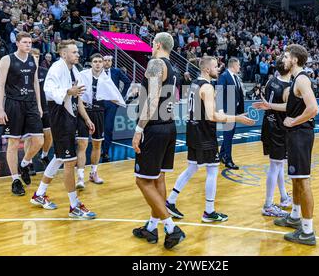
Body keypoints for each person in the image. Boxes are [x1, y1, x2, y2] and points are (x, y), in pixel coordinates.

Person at [166, 56, 254, 222]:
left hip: (192, 129)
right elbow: (211, 116)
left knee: (192, 168)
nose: (218, 69)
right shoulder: (206, 87)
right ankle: (209, 211)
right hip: (204, 133)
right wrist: (236, 118)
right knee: (213, 169)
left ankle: (170, 201)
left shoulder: (194, 83)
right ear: (206, 69)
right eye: (215, 66)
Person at [255, 44, 319, 246]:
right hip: (295, 134)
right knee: (296, 179)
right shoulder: (294, 80)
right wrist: (270, 106)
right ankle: (294, 216)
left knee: (303, 181)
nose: (283, 58)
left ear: (295, 59)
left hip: (301, 134)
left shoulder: (301, 79)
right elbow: (289, 106)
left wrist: (294, 121)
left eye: (286, 56)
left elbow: (313, 109)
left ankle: (307, 231)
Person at [30, 39, 97, 219]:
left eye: (77, 52)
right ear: (63, 53)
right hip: (60, 118)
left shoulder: (73, 70)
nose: (77, 54)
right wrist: (68, 92)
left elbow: (77, 98)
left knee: (60, 158)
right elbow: (49, 91)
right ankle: (74, 205)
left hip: (72, 117)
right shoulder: (56, 69)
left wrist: (86, 118)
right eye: (74, 52)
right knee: (69, 161)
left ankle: (39, 194)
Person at [131, 32, 185, 249]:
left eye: (152, 44)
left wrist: (138, 128)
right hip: (169, 126)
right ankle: (152, 227)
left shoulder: (155, 63)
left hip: (154, 128)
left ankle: (171, 228)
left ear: (157, 44)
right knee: (158, 179)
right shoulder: (174, 69)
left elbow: (153, 99)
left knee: (142, 181)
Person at [0, 32, 44, 196]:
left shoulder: (34, 59)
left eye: (30, 42)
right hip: (13, 103)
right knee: (13, 143)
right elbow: (0, 86)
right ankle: (15, 179)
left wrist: (39, 105)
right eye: (25, 42)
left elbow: (35, 83)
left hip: (30, 104)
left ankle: (24, 163)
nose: (28, 45)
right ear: (17, 43)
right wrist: (0, 109)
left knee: (39, 140)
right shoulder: (7, 59)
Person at [75, 53, 125, 188]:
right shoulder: (82, 75)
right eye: (95, 61)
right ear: (91, 63)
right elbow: (78, 99)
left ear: (103, 64)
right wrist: (86, 118)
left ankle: (94, 173)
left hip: (99, 112)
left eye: (100, 61)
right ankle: (80, 177)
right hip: (85, 111)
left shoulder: (106, 79)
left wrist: (125, 98)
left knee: (97, 145)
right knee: (82, 144)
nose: (97, 64)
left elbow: (115, 96)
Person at [259, 59, 292, 217]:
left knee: (278, 164)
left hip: (268, 124)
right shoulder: (288, 88)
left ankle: (284, 197)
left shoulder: (270, 81)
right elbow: (289, 108)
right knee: (275, 166)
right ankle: (268, 205)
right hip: (278, 128)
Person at [101, 55, 131, 163]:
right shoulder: (97, 71)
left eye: (109, 61)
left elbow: (128, 82)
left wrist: (121, 96)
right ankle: (99, 149)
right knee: (99, 128)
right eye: (105, 60)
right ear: (102, 61)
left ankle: (105, 152)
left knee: (108, 128)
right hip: (99, 103)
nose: (107, 62)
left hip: (112, 103)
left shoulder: (116, 72)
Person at [217, 57, 244, 170]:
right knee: (228, 136)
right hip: (227, 111)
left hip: (234, 110)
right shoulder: (224, 76)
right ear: (233, 65)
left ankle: (222, 155)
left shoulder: (235, 77)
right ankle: (228, 160)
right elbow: (219, 93)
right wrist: (221, 111)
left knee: (230, 135)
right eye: (238, 65)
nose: (239, 67)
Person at [30, 48, 52, 170]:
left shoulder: (45, 72)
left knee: (48, 135)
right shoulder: (25, 72)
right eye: (33, 56)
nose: (35, 58)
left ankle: (44, 155)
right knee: (31, 138)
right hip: (30, 109)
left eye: (37, 56)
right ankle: (28, 162)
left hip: (45, 108)